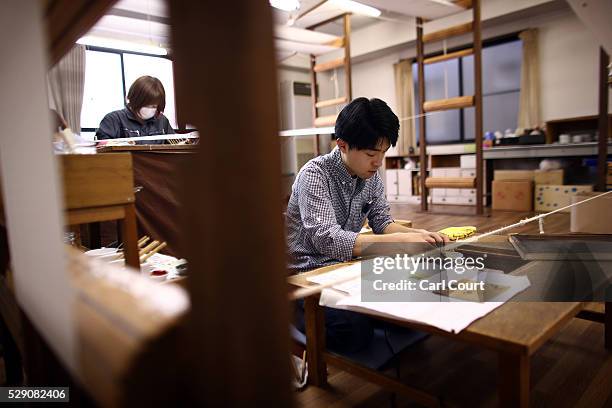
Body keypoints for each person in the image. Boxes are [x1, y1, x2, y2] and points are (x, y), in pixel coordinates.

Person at [286, 97, 449, 354]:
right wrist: (399, 244)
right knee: (354, 330)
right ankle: (292, 314)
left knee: (414, 304)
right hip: (307, 276)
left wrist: (420, 235)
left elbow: (382, 221)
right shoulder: (314, 174)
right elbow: (327, 239)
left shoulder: (369, 175)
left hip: (345, 269)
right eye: (372, 154)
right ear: (342, 145)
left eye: (383, 153)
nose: (378, 162)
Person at [96, 75, 174, 144]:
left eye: (153, 106)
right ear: (134, 99)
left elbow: (176, 144)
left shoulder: (162, 121)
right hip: (125, 160)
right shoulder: (113, 120)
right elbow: (101, 146)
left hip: (156, 160)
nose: (149, 110)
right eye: (145, 105)